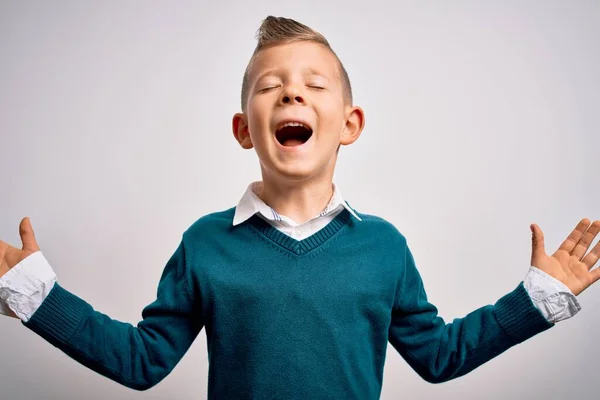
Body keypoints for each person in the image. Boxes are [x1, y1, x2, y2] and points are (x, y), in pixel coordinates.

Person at [0, 15, 599, 399]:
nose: (291, 91)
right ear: (243, 129)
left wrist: (537, 301)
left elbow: (440, 357)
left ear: (349, 123)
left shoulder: (384, 247)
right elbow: (141, 360)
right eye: (270, 86)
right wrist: (37, 297)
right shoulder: (205, 245)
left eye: (314, 85)